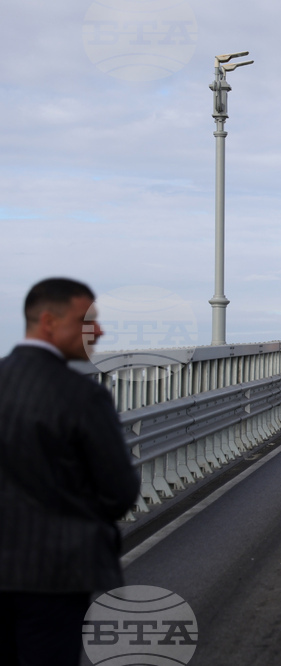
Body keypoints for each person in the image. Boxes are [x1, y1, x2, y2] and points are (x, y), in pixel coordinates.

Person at [0, 277, 140, 666]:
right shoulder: (82, 394)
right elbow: (119, 492)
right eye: (86, 320)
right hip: (54, 575)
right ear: (49, 322)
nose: (99, 330)